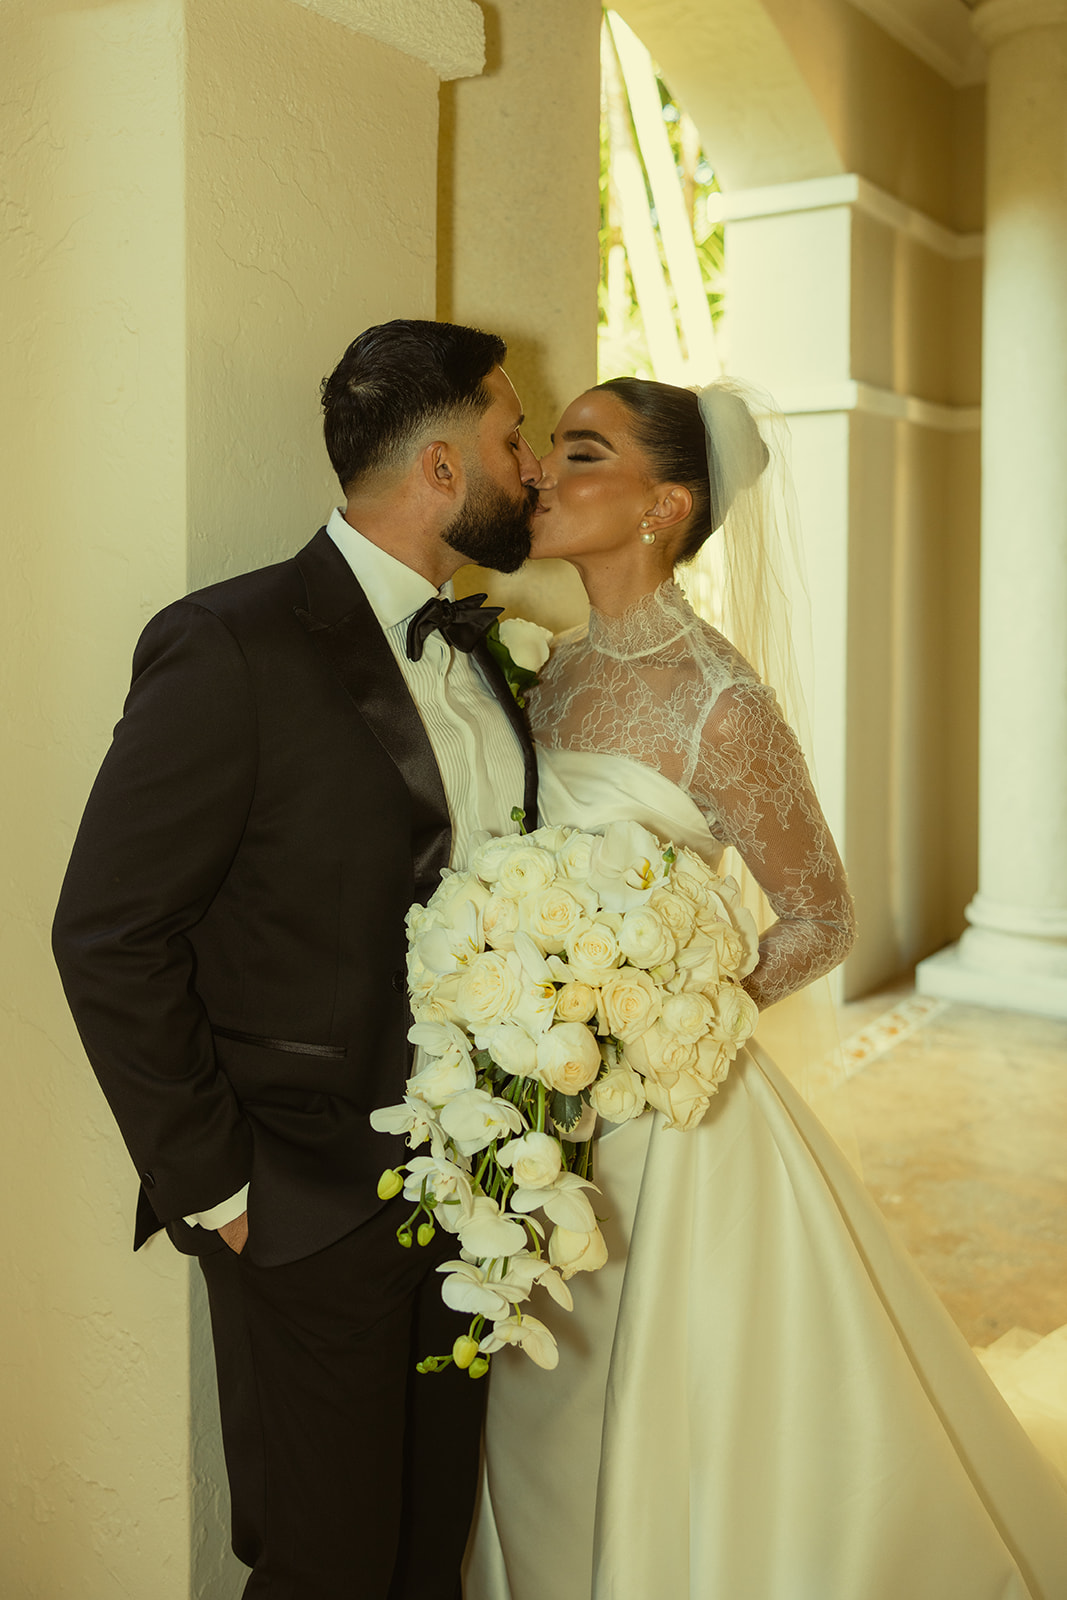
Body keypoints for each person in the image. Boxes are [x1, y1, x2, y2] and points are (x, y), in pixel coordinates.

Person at [465, 377, 1067, 1599]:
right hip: (544, 1111)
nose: (541, 475)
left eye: (582, 453)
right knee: (550, 1397)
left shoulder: (716, 700)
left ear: (662, 506)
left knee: (680, 1413)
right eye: (549, 451)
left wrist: (657, 1019)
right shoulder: (549, 670)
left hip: (671, 1132)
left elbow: (821, 917)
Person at [51, 319, 543, 1599]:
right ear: (441, 471)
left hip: (473, 1197)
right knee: (327, 1564)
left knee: (425, 1550)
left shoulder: (486, 644)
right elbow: (107, 931)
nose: (529, 463)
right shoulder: (230, 645)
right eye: (510, 436)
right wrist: (222, 1189)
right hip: (309, 1205)